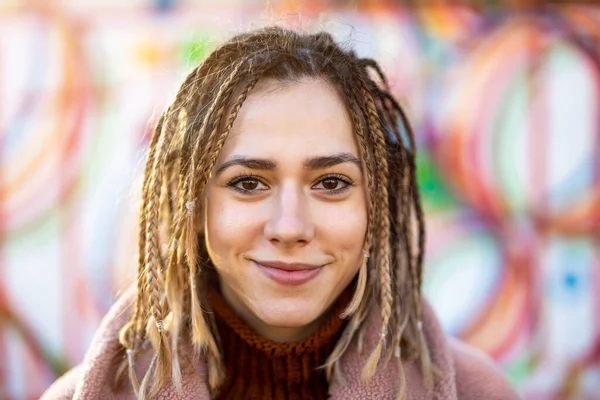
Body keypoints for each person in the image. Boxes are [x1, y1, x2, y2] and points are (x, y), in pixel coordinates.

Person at [41, 26, 519, 400]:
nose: (290, 227)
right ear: (193, 205)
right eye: (248, 183)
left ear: (376, 204)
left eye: (331, 183)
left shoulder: (478, 392)